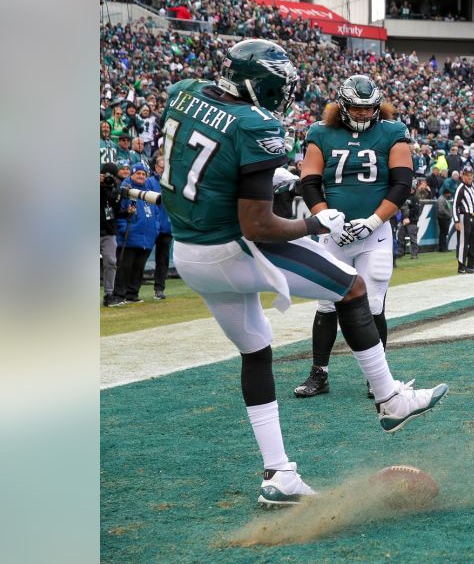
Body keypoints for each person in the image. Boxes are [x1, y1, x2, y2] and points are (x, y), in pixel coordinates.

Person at [158, 39, 447, 507]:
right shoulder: (256, 123)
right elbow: (259, 224)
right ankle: (389, 399)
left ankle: (280, 475)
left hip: (190, 255)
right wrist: (313, 223)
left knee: (256, 350)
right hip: (236, 249)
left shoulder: (184, 91)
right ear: (259, 82)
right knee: (351, 288)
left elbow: (202, 166)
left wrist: (268, 180)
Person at [292, 75, 415, 400]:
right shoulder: (321, 132)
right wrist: (325, 218)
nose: (362, 114)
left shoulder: (393, 132)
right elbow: (309, 182)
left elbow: (402, 183)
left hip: (374, 234)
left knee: (373, 304)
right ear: (342, 106)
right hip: (334, 234)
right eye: (356, 108)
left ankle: (379, 379)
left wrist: (374, 221)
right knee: (327, 304)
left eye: (368, 108)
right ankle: (320, 374)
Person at [112, 163, 159, 304]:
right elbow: (118, 213)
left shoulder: (148, 192)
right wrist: (125, 228)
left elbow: (156, 213)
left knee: (139, 269)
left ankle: (132, 294)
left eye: (143, 174)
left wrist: (155, 230)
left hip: (147, 238)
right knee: (124, 268)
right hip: (130, 236)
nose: (141, 176)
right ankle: (119, 295)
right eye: (138, 173)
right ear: (131, 174)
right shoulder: (125, 190)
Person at [147, 160, 172, 300]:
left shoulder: (172, 183)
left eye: (166, 167)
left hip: (166, 227)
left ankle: (159, 289)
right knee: (138, 258)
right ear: (156, 167)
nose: (163, 170)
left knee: (163, 260)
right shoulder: (150, 182)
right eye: (162, 167)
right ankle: (131, 291)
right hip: (151, 226)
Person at [100, 163, 122, 307]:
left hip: (108, 232)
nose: (108, 178)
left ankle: (109, 294)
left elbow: (116, 209)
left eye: (111, 176)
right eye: (105, 175)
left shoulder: (115, 187)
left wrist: (114, 189)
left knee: (111, 261)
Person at [453, 166, 474, 273]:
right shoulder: (461, 188)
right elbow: (455, 205)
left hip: (473, 217)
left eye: (471, 175)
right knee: (463, 242)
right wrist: (456, 221)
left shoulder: (472, 188)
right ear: (463, 176)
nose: (469, 177)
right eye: (467, 175)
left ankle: (470, 265)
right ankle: (461, 266)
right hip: (464, 217)